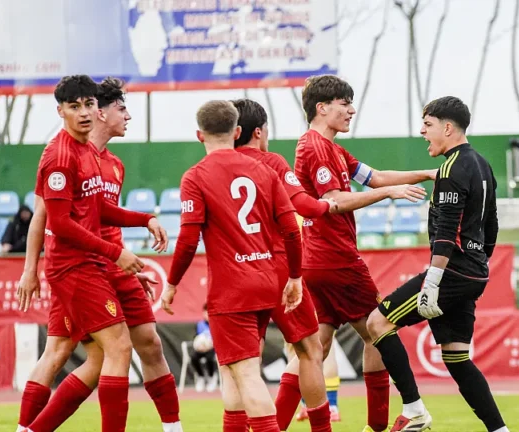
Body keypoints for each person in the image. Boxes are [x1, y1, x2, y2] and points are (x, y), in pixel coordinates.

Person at [16, 75, 169, 432]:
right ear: (62, 111)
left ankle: (27, 430)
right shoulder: (59, 155)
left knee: (89, 353)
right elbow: (57, 221)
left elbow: (97, 209)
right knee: (113, 348)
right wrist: (30, 269)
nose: (84, 112)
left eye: (88, 104)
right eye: (75, 106)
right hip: (75, 265)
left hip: (92, 263)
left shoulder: (94, 154)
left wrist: (145, 218)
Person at [289, 74, 436, 432]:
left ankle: (273, 425)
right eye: (345, 103)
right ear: (322, 108)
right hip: (336, 258)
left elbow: (375, 177)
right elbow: (334, 202)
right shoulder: (316, 147)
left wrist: (428, 173)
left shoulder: (333, 149)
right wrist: (391, 194)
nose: (352, 110)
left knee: (314, 350)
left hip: (315, 260)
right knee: (379, 329)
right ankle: (378, 425)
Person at [366, 96, 509, 432]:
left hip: (453, 271)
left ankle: (415, 410)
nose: (422, 132)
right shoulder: (483, 164)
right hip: (473, 271)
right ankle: (500, 431)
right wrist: (478, 262)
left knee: (377, 323)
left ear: (447, 127)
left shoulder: (451, 167)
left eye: (427, 125)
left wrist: (434, 279)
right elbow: (492, 225)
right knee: (457, 357)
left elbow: (446, 231)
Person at [160, 100, 303, 432]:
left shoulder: (195, 176)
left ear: (199, 135)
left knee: (246, 372)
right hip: (265, 280)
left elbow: (187, 238)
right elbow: (292, 230)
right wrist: (294, 276)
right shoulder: (264, 170)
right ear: (236, 132)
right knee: (231, 369)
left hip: (231, 289)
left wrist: (171, 283)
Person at [231, 98, 334, 432]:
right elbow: (301, 204)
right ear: (258, 132)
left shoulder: (216, 166)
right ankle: (321, 428)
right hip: (274, 268)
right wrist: (328, 205)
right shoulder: (271, 161)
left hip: (234, 274)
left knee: (243, 364)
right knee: (310, 350)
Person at [191, 303, 218, 393]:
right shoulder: (199, 325)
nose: (207, 315)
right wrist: (200, 345)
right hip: (201, 349)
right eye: (206, 312)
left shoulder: (216, 324)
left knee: (210, 358)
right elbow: (196, 338)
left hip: (213, 348)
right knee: (194, 357)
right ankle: (201, 377)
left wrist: (211, 344)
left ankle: (211, 377)